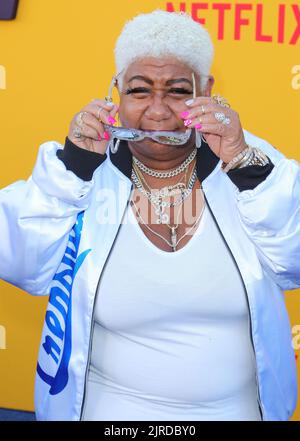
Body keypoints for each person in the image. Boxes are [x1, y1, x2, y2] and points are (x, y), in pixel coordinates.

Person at [0, 9, 299, 421]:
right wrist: (70, 171)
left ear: (207, 90)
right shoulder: (82, 168)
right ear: (116, 91)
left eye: (177, 91)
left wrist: (245, 166)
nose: (157, 112)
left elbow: (294, 264)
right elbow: (20, 263)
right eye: (139, 91)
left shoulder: (251, 163)